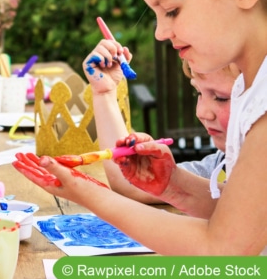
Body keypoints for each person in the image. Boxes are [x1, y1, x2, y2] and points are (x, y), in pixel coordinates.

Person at [13, 0, 267, 255]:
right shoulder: (252, 87)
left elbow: (223, 251)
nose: (160, 33)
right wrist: (172, 187)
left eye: (172, 10)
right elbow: (245, 220)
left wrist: (86, 193)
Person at [84, 39, 238, 205]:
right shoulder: (223, 164)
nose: (201, 113)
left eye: (221, 98)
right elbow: (133, 186)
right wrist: (104, 93)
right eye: (198, 93)